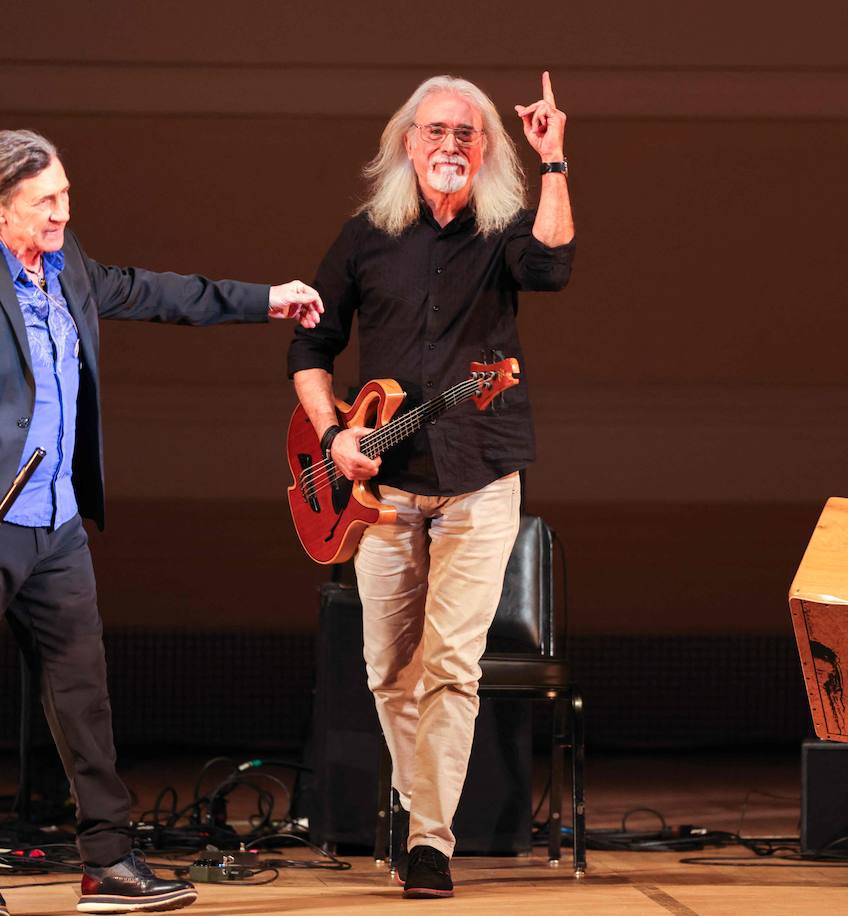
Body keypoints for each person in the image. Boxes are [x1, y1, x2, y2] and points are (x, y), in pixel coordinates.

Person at [0, 129, 322, 916]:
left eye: (66, 195)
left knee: (83, 696)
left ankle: (108, 864)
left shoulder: (67, 265)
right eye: (44, 201)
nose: (62, 212)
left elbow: (155, 292)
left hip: (54, 524)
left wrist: (266, 300)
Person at [288, 71, 574, 898]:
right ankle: (423, 812)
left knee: (451, 665)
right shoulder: (362, 239)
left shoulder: (506, 232)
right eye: (435, 131)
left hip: (480, 477)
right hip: (379, 493)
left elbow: (553, 267)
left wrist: (552, 161)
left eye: (467, 134)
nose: (450, 145)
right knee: (387, 667)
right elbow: (309, 352)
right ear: (406, 143)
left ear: (486, 150)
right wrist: (334, 434)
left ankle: (429, 841)